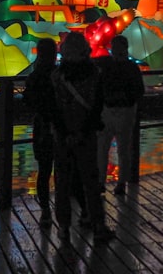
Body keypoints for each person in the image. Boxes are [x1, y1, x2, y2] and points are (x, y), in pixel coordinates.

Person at [50, 32, 114, 243]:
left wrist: (65, 132)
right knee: (91, 180)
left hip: (62, 136)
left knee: (63, 181)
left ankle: (64, 226)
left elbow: (54, 110)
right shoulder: (95, 74)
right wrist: (82, 131)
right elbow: (97, 106)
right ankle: (97, 223)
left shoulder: (57, 77)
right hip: (86, 135)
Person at [97, 35, 146, 196]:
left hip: (108, 110)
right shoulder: (132, 67)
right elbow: (139, 90)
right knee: (123, 149)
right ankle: (121, 183)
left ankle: (101, 182)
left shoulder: (105, 65)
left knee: (103, 149)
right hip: (125, 111)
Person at [22, 38, 59, 226]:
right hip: (60, 127)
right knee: (62, 169)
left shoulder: (35, 76)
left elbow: (27, 99)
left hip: (43, 127)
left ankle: (45, 210)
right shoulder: (59, 74)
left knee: (43, 171)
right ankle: (64, 210)